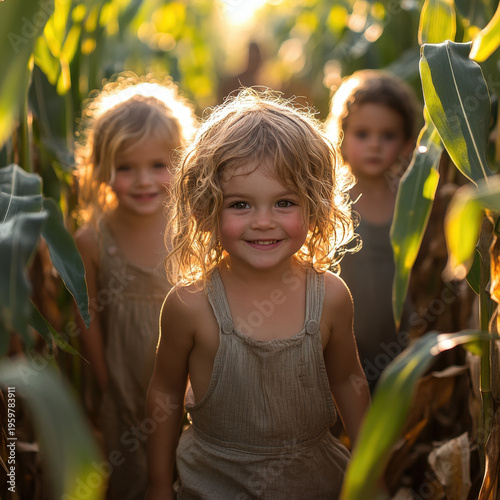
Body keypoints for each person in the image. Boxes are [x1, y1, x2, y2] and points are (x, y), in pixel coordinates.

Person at [146, 89, 370, 499]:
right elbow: (165, 391)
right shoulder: (190, 304)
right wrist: (160, 485)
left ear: (316, 205)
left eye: (284, 202)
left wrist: (372, 474)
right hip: (213, 481)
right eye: (240, 205)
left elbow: (348, 380)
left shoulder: (331, 298)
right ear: (205, 207)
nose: (263, 222)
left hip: (312, 480)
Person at [73, 72, 197, 500]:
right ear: (102, 169)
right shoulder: (93, 240)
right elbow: (85, 312)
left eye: (159, 165)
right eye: (126, 168)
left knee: (188, 471)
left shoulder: (191, 229)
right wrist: (107, 381)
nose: (144, 180)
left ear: (182, 162)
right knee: (132, 477)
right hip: (126, 384)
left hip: (190, 383)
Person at [325, 69, 419, 392]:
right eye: (362, 134)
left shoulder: (414, 200)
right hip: (343, 344)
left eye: (388, 135)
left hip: (402, 342)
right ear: (341, 138)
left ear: (407, 143)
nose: (375, 145)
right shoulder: (332, 203)